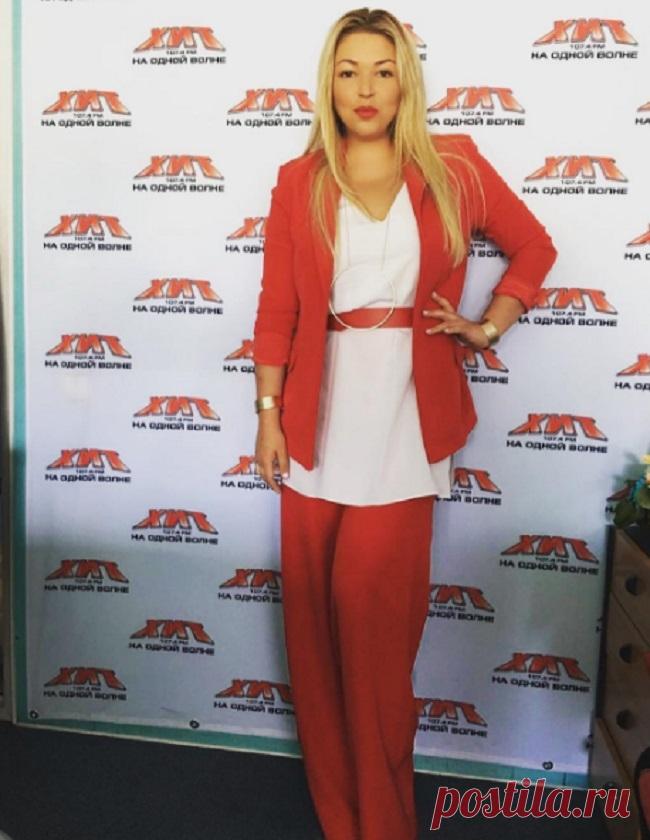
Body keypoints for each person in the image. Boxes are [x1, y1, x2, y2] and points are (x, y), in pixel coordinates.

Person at [251, 8, 558, 839]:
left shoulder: (453, 166)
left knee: (374, 637)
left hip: (406, 427)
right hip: (314, 431)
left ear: (405, 81)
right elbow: (277, 309)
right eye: (349, 70)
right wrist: (269, 416)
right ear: (329, 82)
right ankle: (341, 820)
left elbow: (535, 247)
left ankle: (385, 825)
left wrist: (487, 327)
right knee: (314, 643)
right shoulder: (298, 180)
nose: (366, 88)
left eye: (383, 71)